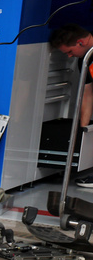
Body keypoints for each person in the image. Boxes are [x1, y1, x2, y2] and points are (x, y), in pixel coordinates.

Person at [48, 24, 93, 187]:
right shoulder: (85, 61)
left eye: (69, 52)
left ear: (80, 42)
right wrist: (82, 132)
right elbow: (87, 95)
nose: (69, 57)